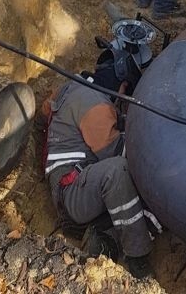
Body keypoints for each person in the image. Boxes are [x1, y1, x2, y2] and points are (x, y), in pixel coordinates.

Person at [42, 50, 156, 280]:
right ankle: (136, 256)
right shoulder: (95, 106)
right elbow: (118, 154)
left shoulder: (73, 86)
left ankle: (103, 237)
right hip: (71, 194)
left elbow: (44, 114)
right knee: (119, 171)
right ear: (122, 85)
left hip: (71, 184)